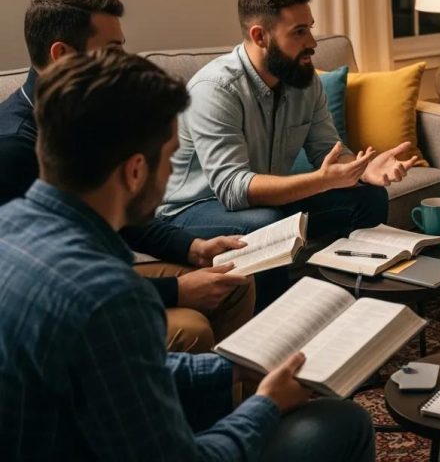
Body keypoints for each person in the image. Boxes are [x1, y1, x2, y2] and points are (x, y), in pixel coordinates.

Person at [0, 49, 374, 461]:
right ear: (136, 171)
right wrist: (266, 405)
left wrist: (232, 368)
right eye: (171, 159)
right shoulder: (109, 295)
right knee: (344, 421)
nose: (171, 177)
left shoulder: (9, 227)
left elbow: (123, 367)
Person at [0, 0, 252, 352]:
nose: (125, 61)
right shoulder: (14, 147)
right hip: (59, 295)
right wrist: (176, 290)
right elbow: (45, 278)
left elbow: (118, 208)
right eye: (113, 51)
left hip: (94, 269)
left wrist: (194, 247)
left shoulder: (92, 111)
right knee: (190, 329)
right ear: (62, 55)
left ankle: (232, 382)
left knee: (235, 283)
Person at [158, 0, 416, 309]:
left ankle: (355, 307)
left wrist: (362, 170)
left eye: (310, 28)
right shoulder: (215, 89)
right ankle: (276, 325)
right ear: (260, 36)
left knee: (368, 197)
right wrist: (322, 181)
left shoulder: (304, 81)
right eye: (299, 32)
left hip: (267, 203)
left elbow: (327, 150)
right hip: (191, 209)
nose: (312, 42)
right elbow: (234, 189)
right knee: (266, 223)